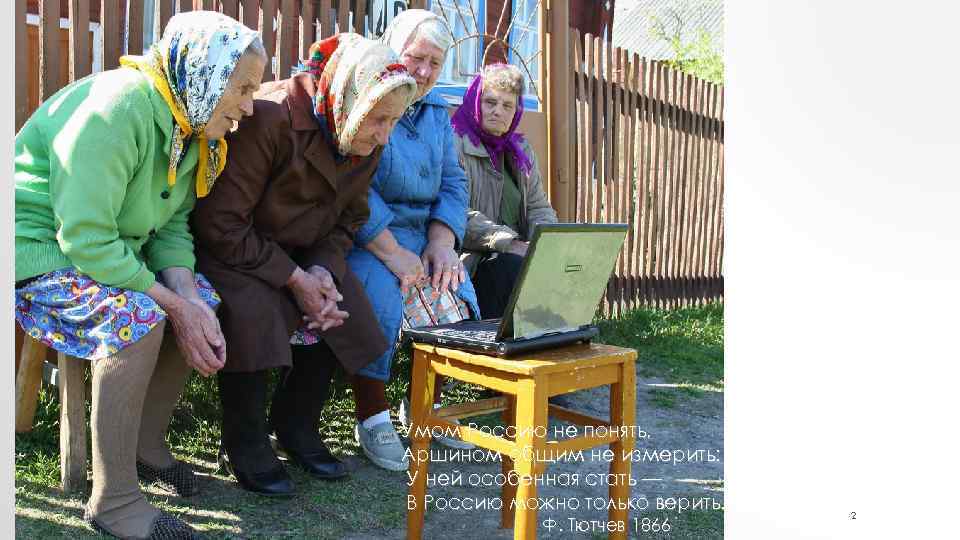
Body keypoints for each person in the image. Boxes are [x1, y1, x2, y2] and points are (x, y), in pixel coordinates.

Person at [13, 11, 266, 539]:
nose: (248, 106)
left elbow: (171, 229)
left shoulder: (188, 123)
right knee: (140, 316)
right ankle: (115, 500)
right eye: (241, 88)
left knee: (200, 298)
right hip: (35, 251)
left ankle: (148, 447)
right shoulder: (118, 108)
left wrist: (187, 301)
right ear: (205, 73)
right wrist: (171, 304)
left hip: (104, 253)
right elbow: (83, 239)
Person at [190, 33, 418, 496]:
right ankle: (245, 438)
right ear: (350, 96)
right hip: (236, 252)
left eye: (394, 122)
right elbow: (221, 224)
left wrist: (320, 272)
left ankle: (296, 424)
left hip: (302, 255)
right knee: (251, 309)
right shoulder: (272, 117)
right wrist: (293, 277)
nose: (384, 135)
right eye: (378, 119)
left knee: (341, 302)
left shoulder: (361, 135)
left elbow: (350, 220)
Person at [346, 9, 481, 473]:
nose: (423, 72)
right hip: (368, 235)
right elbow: (353, 184)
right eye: (415, 57)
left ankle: (425, 410)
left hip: (423, 234)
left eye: (435, 63)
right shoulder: (369, 96)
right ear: (392, 51)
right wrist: (391, 252)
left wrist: (443, 241)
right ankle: (372, 418)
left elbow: (453, 182)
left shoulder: (436, 114)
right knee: (382, 300)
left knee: (453, 294)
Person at [451, 63, 559, 319]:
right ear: (476, 101)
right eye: (490, 102)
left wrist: (544, 244)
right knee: (513, 267)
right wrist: (508, 243)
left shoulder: (520, 151)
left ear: (516, 111)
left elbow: (538, 206)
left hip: (517, 255)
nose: (498, 111)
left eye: (507, 105)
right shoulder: (455, 143)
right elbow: (456, 213)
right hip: (470, 262)